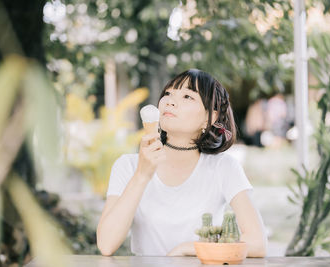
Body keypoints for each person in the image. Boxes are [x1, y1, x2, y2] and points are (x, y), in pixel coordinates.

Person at [97, 69, 267, 257]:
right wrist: (142, 175)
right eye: (168, 94)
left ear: (210, 117)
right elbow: (106, 244)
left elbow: (257, 243)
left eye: (187, 96)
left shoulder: (223, 167)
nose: (169, 101)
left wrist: (188, 249)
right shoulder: (127, 166)